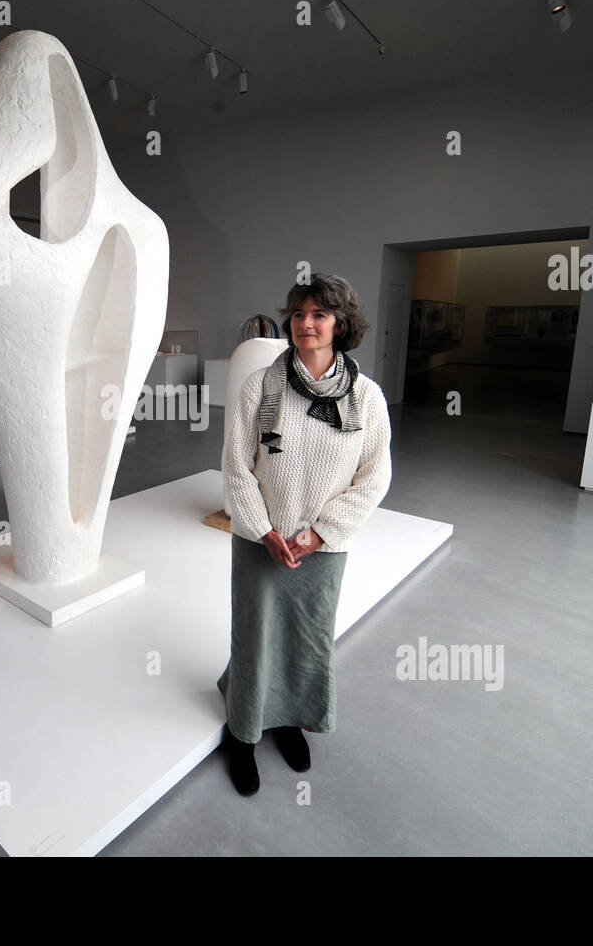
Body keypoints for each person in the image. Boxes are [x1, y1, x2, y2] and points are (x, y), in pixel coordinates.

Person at [217, 273, 393, 795]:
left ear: (340, 324)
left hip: (321, 548)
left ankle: (289, 718)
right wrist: (264, 530)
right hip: (262, 541)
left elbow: (375, 475)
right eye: (298, 314)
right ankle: (243, 732)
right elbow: (236, 466)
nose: (306, 324)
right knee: (254, 634)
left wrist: (319, 533)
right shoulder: (261, 386)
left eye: (318, 315)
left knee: (307, 637)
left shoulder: (365, 397)